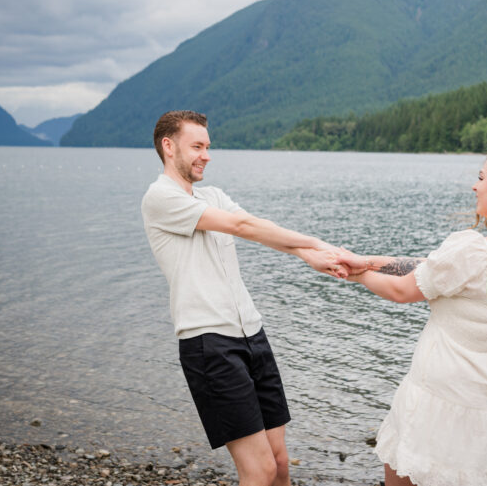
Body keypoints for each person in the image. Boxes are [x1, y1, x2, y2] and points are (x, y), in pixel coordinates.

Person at [141, 110, 346, 486]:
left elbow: (259, 228)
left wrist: (306, 255)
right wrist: (318, 242)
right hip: (209, 344)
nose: (207, 154)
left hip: (252, 334)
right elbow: (241, 227)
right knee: (259, 470)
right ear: (168, 147)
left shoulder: (212, 195)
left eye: (208, 146)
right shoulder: (160, 198)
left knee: (281, 462)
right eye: (197, 146)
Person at [339, 141, 487, 486]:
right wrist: (371, 261)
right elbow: (433, 269)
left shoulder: (473, 250)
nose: (474, 185)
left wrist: (355, 273)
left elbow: (402, 290)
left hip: (442, 400)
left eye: (481, 177)